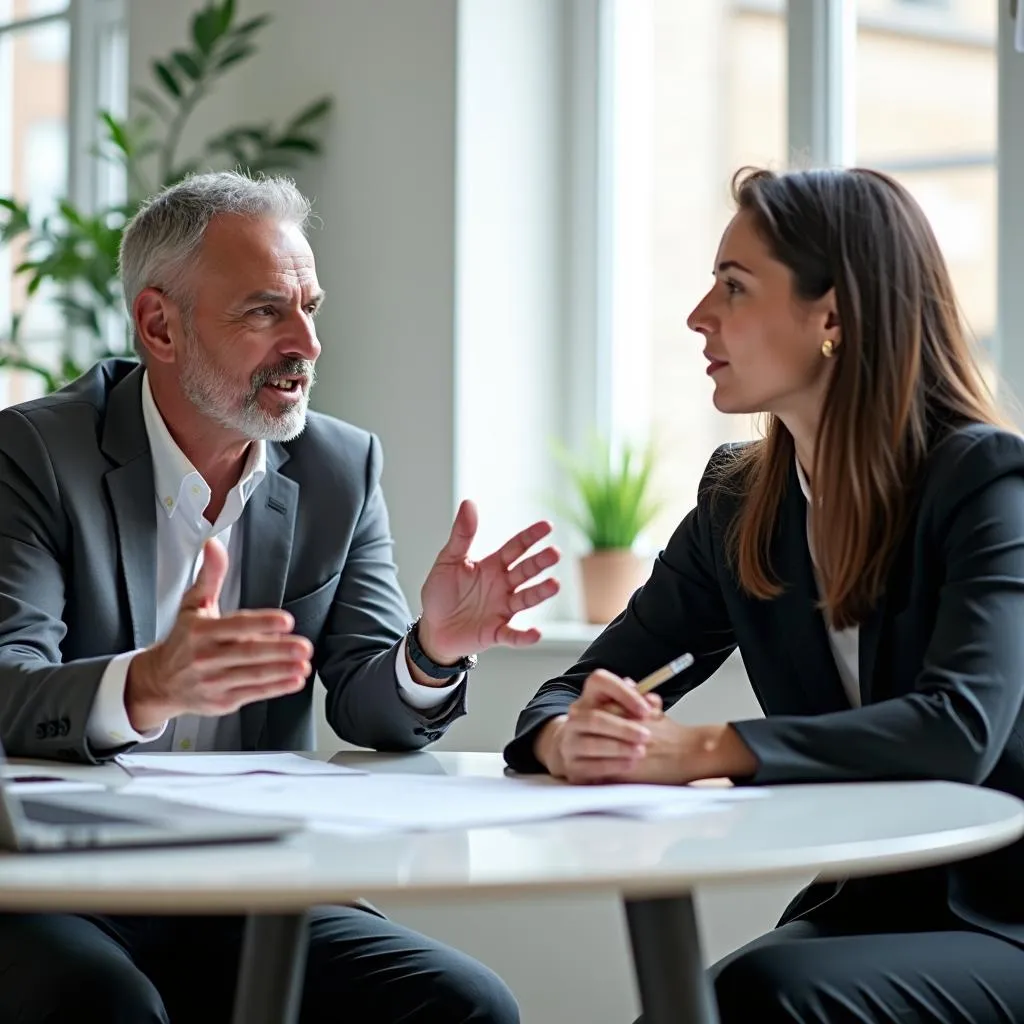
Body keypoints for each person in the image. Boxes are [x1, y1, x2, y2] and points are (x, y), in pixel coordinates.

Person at [0, 170, 560, 1022]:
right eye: (266, 311)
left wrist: (431, 651)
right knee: (105, 1005)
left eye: (311, 307)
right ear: (160, 325)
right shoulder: (37, 454)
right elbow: (9, 684)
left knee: (465, 1004)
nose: (307, 342)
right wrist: (147, 685)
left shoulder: (339, 468)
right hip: (58, 884)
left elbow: (370, 704)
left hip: (251, 878)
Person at [505, 166, 1024, 1022]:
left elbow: (957, 729)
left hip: (1005, 915)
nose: (699, 315)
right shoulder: (739, 502)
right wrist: (570, 737)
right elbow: (570, 690)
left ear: (833, 316)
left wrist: (700, 750)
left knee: (757, 998)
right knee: (685, 1008)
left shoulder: (982, 481)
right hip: (876, 910)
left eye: (734, 287)